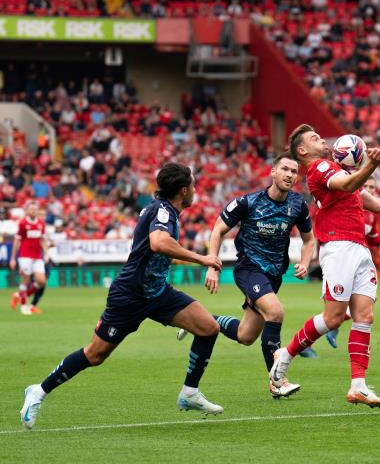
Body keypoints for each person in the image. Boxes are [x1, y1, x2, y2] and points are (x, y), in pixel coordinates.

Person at [20, 163, 224, 430]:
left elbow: (160, 252)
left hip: (158, 292)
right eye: (194, 185)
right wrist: (201, 258)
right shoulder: (162, 212)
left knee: (209, 327)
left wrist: (192, 262)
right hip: (130, 295)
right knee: (94, 355)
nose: (196, 190)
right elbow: (158, 243)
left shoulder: (164, 210)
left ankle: (189, 393)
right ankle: (38, 391)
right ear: (184, 190)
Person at [269, 124, 380, 408]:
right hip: (339, 247)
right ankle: (284, 356)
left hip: (359, 247)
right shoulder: (318, 169)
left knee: (365, 315)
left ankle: (358, 385)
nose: (321, 139)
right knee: (334, 317)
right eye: (315, 137)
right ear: (302, 151)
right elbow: (347, 185)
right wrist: (371, 165)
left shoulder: (342, 171)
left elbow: (373, 203)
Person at [177, 154, 316, 398]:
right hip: (249, 270)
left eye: (294, 171)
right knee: (276, 312)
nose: (289, 175)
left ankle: (202, 320)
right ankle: (277, 380)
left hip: (274, 275)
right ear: (272, 172)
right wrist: (213, 265)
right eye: (284, 169)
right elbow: (218, 230)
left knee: (246, 335)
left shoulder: (297, 205)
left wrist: (304, 262)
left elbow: (309, 239)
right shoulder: (248, 203)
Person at [324, 176, 380, 349]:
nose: (369, 189)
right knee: (336, 311)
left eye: (372, 187)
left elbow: (371, 238)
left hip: (360, 260)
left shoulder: (370, 216)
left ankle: (325, 334)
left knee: (364, 303)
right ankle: (306, 342)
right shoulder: (347, 206)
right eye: (365, 185)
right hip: (341, 259)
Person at [9, 202, 48, 315]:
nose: (33, 211)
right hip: (25, 256)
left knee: (41, 281)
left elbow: (42, 239)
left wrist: (46, 253)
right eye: (31, 209)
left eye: (35, 209)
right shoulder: (22, 223)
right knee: (25, 280)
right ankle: (24, 306)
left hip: (37, 256)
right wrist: (12, 258)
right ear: (27, 211)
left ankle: (18, 295)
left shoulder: (41, 224)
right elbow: (16, 241)